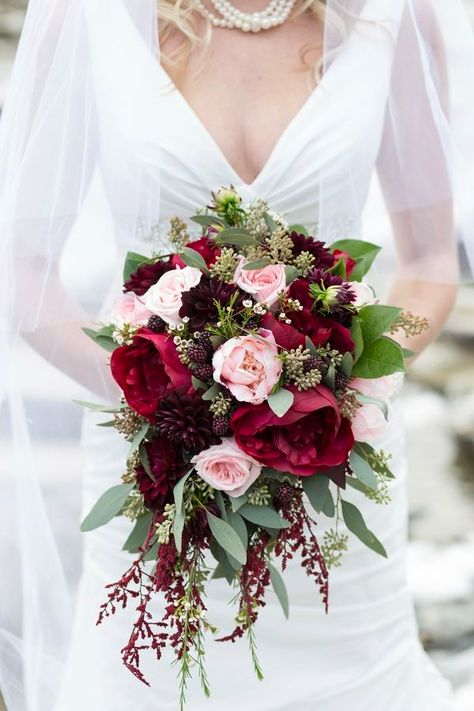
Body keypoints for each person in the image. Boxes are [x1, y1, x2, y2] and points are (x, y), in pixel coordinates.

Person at [1, 1, 473, 710]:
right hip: (157, 468)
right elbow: (25, 279)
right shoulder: (88, 16)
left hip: (332, 458)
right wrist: (168, 405)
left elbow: (432, 265)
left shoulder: (388, 16)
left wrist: (353, 377)